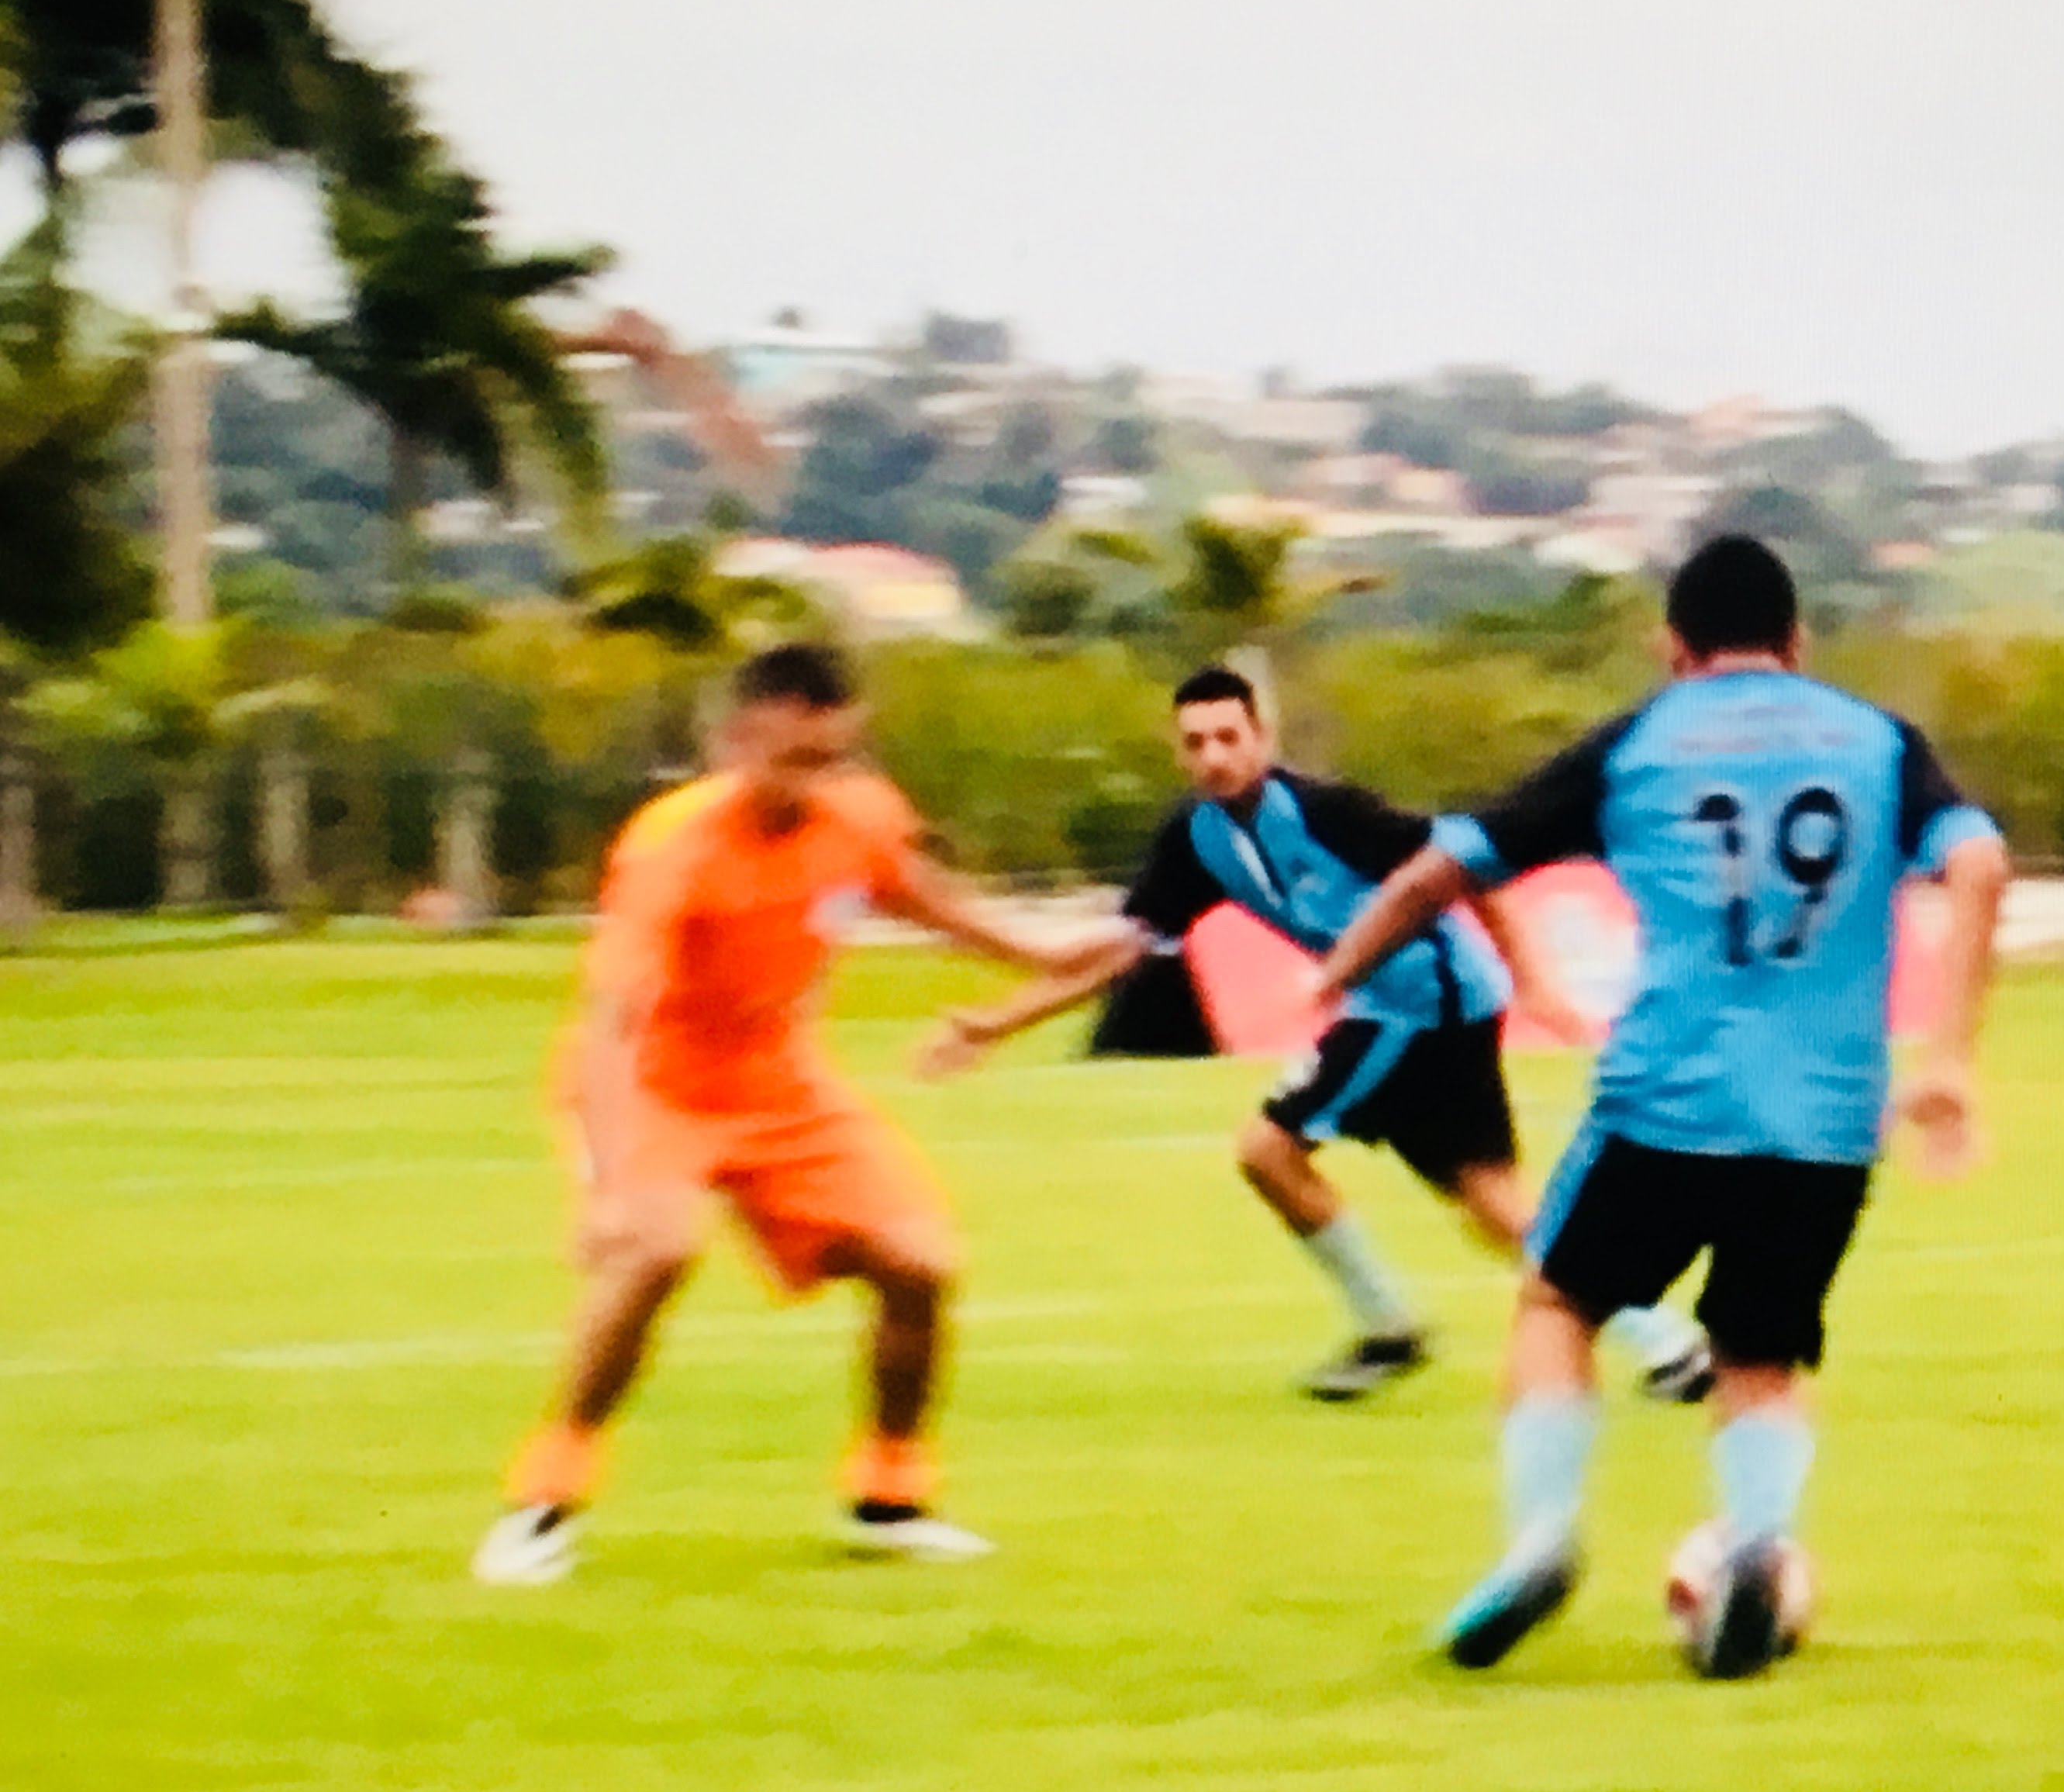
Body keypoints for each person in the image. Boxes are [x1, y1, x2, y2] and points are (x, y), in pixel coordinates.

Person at [1314, 535, 2012, 1680]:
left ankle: (1541, 1538)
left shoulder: (1639, 739)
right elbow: (1980, 867)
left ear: (1673, 647)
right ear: (1798, 641)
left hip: (1667, 1101)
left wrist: (1343, 964)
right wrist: (1951, 1055)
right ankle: (1755, 1548)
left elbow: (1449, 866)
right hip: (1828, 1118)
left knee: (1556, 1298)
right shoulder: (1880, 742)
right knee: (1761, 1357)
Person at [473, 643, 1123, 1586]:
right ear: (733, 743)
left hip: (779, 1083)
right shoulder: (671, 849)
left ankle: (888, 1499)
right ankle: (541, 1505)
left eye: (833, 759)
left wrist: (1036, 951)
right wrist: (607, 1186)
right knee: (654, 1252)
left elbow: (919, 896)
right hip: (657, 1083)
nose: (816, 783)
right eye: (794, 761)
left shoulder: (856, 816)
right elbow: (613, 1021)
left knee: (921, 1265)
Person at [923, 665, 1713, 1403]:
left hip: (1423, 1005)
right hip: (1412, 1007)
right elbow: (1124, 954)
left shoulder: (1331, 810)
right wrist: (997, 1021)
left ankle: (1390, 1325)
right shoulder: (1193, 842)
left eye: (1229, 737)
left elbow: (1468, 863)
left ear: (1263, 737)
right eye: (1196, 742)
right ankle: (1672, 1347)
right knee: (1491, 1203)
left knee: (1269, 1149)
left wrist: (1534, 978)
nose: (1214, 757)